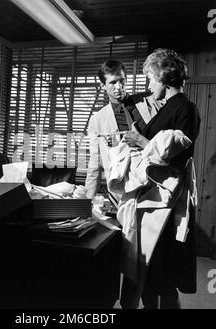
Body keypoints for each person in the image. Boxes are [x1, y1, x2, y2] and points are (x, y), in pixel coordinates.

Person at [113, 48, 200, 309]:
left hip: (165, 204)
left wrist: (141, 140)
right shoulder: (167, 108)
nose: (149, 86)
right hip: (151, 198)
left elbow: (176, 153)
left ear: (162, 77)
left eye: (150, 79)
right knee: (148, 272)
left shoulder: (185, 108)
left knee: (162, 275)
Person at [85, 60, 161, 205]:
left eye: (122, 81)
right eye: (113, 83)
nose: (119, 87)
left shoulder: (149, 101)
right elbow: (95, 164)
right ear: (103, 86)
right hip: (123, 191)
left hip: (154, 182)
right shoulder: (98, 120)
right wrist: (87, 203)